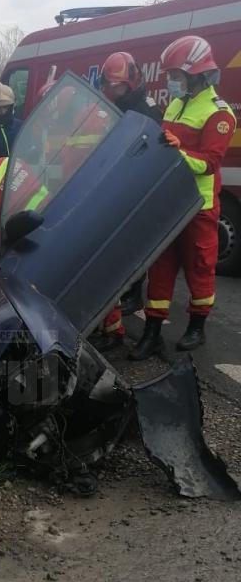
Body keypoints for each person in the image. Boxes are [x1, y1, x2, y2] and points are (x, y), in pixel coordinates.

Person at [129, 35, 236, 360]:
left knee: (199, 267)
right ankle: (152, 333)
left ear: (197, 75)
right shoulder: (176, 104)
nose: (172, 81)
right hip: (168, 203)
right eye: (172, 75)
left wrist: (179, 151)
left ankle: (197, 328)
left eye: (177, 75)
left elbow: (209, 163)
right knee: (160, 267)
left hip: (198, 206)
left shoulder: (220, 114)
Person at [97, 52, 165, 345]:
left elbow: (151, 151)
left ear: (132, 83)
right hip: (117, 182)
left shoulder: (146, 109)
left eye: (119, 87)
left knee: (133, 246)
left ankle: (134, 293)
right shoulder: (115, 106)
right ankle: (128, 290)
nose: (114, 92)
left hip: (137, 184)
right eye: (111, 86)